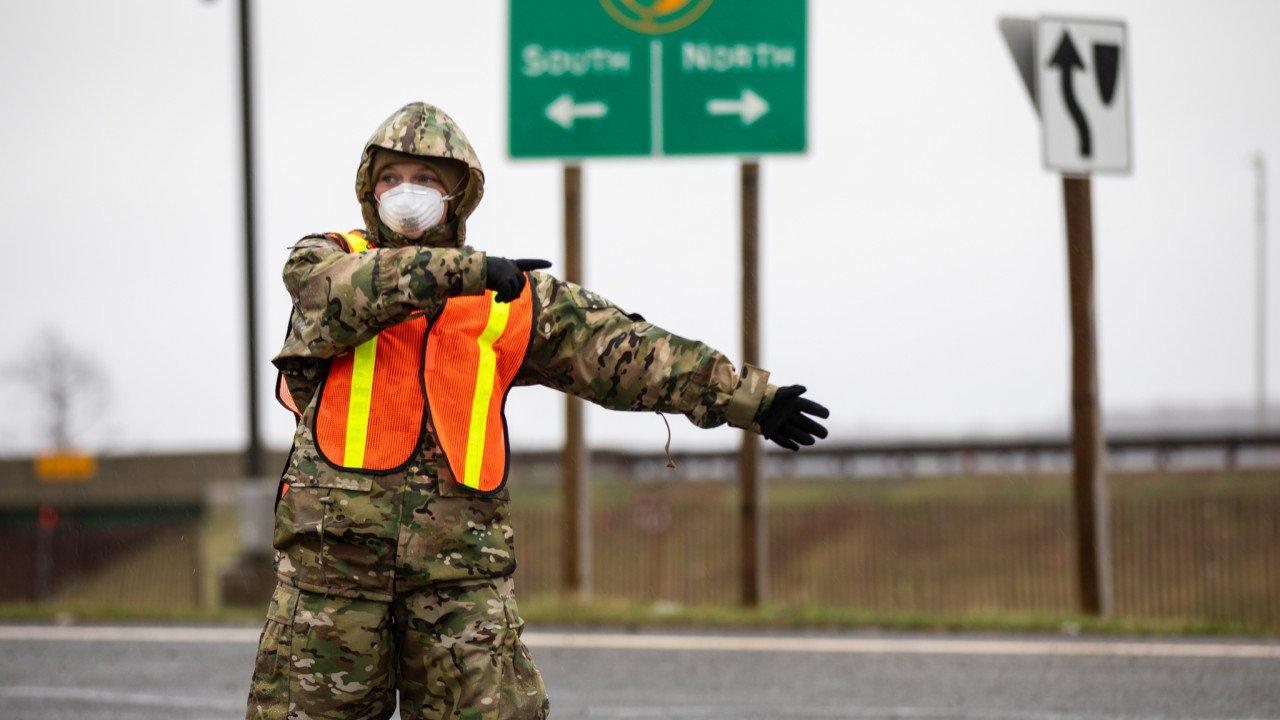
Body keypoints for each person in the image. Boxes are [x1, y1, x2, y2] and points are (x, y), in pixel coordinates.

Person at [246, 101, 829, 720]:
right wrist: (463, 271)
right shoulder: (326, 261)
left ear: (457, 195)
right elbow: (346, 293)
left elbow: (621, 351)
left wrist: (747, 397)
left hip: (460, 578)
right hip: (333, 577)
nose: (405, 193)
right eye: (390, 179)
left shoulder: (509, 298)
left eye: (425, 180)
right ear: (369, 190)